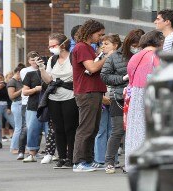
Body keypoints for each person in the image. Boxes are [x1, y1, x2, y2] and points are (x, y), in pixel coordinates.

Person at [100, 29, 145, 174]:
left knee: (135, 131)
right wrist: (122, 79)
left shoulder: (144, 55)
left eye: (139, 45)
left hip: (138, 97)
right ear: (128, 43)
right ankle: (109, 161)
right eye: (134, 44)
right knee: (118, 130)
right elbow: (105, 76)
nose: (136, 47)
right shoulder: (115, 56)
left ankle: (131, 161)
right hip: (119, 97)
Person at [37, 33, 78, 168]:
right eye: (49, 46)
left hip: (70, 96)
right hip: (54, 97)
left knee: (70, 127)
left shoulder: (73, 57)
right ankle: (62, 157)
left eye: (53, 45)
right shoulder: (52, 60)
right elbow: (48, 80)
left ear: (63, 44)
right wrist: (42, 68)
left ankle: (71, 157)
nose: (51, 48)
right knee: (57, 128)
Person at [124, 30, 164, 172]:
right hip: (150, 93)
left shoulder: (134, 57)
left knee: (135, 127)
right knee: (150, 127)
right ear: (159, 42)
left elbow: (130, 76)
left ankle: (132, 162)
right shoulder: (156, 56)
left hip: (135, 93)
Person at [71, 19, 107, 172]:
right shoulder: (82, 47)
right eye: (99, 34)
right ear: (91, 32)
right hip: (87, 92)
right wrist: (106, 57)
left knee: (92, 127)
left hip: (92, 91)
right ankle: (79, 162)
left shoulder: (87, 48)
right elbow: (91, 68)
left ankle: (87, 160)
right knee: (86, 127)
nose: (101, 38)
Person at [92, 34, 122, 170]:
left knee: (114, 130)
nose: (103, 46)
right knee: (101, 129)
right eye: (102, 44)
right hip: (103, 97)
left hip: (116, 97)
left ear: (115, 45)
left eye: (107, 44)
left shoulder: (121, 58)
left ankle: (113, 159)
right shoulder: (98, 58)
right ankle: (99, 159)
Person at [22, 54, 49, 163]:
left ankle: (50, 153)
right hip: (33, 106)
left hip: (48, 106)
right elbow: (24, 91)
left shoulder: (50, 74)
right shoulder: (30, 74)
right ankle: (32, 153)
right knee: (32, 129)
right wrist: (36, 89)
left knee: (50, 131)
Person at [17, 51, 40, 160]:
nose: (34, 62)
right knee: (26, 128)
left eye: (36, 59)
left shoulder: (43, 70)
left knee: (38, 128)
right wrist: (35, 89)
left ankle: (35, 151)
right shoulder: (26, 71)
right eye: (32, 60)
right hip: (27, 102)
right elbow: (26, 86)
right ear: (28, 61)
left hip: (39, 102)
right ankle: (21, 151)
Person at [0, 72, 15, 149]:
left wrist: (9, 107)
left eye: (0, 78)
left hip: (6, 106)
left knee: (14, 123)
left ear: (3, 78)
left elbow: (9, 97)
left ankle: (16, 141)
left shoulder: (7, 85)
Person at [8, 66, 25, 153]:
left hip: (21, 104)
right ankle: (13, 148)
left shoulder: (19, 81)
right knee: (18, 127)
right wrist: (22, 90)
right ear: (18, 72)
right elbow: (11, 96)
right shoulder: (12, 81)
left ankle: (20, 147)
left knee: (22, 127)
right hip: (17, 104)